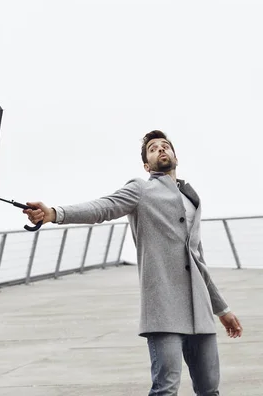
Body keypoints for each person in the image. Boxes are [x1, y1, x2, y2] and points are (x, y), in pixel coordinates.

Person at [23, 130, 243, 396]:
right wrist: (55, 214)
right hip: (163, 308)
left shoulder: (191, 198)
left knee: (210, 390)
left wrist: (222, 309)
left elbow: (198, 261)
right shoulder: (141, 189)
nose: (161, 150)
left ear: (176, 156)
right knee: (166, 389)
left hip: (201, 310)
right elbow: (102, 208)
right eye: (153, 148)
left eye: (165, 146)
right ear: (147, 165)